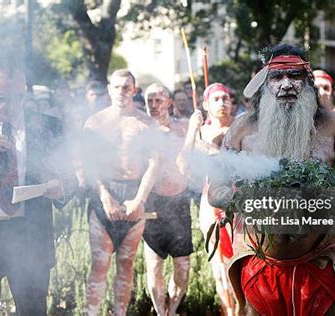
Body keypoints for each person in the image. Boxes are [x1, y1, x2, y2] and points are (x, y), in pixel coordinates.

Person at [207, 44, 335, 315]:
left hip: (317, 265)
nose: (286, 85)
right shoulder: (241, 127)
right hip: (259, 265)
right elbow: (216, 191)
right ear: (264, 83)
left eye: (294, 76)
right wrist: (248, 199)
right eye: (276, 77)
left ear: (308, 82)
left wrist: (328, 201)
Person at [0, 64, 68, 315]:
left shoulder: (49, 126)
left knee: (32, 312)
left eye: (19, 97)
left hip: (31, 241)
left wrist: (60, 188)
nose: (11, 105)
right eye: (3, 98)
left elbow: (69, 173)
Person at [83, 69, 159, 316]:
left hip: (134, 194)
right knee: (99, 264)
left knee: (126, 265)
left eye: (126, 87)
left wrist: (140, 199)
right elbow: (88, 164)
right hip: (103, 195)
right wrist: (104, 195)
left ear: (134, 90)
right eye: (116, 87)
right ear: (109, 89)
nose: (121, 92)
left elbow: (153, 163)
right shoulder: (95, 122)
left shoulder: (146, 124)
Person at [182, 83, 236, 315]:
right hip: (211, 203)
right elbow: (182, 165)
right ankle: (228, 311)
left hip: (241, 202)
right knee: (219, 267)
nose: (222, 103)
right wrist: (192, 132)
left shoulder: (242, 128)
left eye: (226, 98)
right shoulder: (200, 131)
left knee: (243, 260)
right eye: (216, 99)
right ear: (206, 105)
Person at [142, 83, 193, 316]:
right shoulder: (140, 128)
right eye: (149, 100)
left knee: (182, 267)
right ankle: (160, 312)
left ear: (169, 102)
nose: (153, 105)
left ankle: (172, 310)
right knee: (154, 266)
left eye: (158, 100)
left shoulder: (182, 127)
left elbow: (189, 157)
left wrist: (194, 128)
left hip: (179, 201)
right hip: (152, 201)